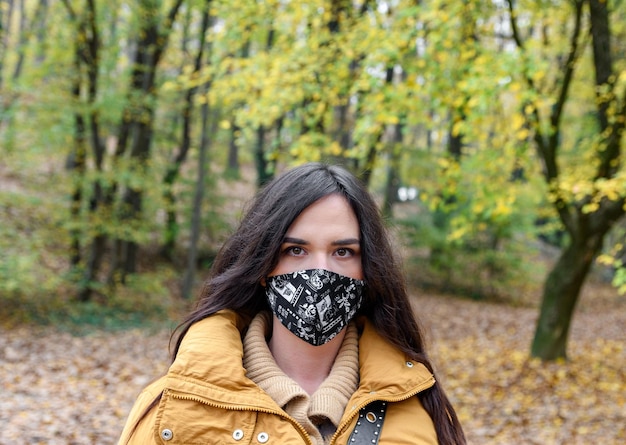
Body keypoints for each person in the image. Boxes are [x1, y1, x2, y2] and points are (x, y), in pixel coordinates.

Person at [118, 163, 466, 445]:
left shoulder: (416, 408)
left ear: (368, 269)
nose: (320, 272)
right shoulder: (175, 408)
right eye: (295, 250)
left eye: (343, 251)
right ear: (263, 266)